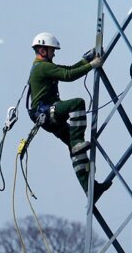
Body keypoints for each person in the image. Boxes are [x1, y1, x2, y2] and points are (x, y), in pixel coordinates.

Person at [27, 32, 112, 202]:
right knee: (77, 103)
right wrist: (92, 65)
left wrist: (84, 61)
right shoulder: (42, 67)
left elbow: (66, 70)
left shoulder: (43, 66)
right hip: (48, 112)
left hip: (46, 117)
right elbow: (68, 76)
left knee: (75, 150)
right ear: (43, 50)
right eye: (52, 50)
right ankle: (78, 142)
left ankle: (91, 189)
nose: (54, 53)